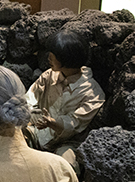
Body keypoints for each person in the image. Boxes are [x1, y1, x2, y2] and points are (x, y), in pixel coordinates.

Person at [25, 30, 105, 170]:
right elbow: (30, 97)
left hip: (68, 142)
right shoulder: (49, 76)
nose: (49, 57)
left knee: (65, 166)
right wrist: (32, 112)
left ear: (67, 59)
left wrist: (54, 123)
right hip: (38, 132)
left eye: (53, 55)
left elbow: (76, 122)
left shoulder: (92, 92)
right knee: (10, 140)